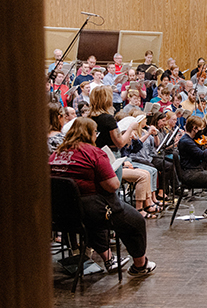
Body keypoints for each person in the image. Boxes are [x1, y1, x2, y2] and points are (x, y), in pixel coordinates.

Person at [49, 118, 156, 277]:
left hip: (60, 213)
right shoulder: (93, 153)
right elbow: (112, 185)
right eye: (95, 133)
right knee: (135, 221)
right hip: (91, 209)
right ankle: (140, 265)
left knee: (93, 219)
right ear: (90, 134)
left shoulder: (55, 154)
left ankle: (109, 259)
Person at [88, 87, 161, 218]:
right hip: (111, 156)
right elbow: (120, 143)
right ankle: (114, 221)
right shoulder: (108, 119)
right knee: (112, 191)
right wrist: (131, 128)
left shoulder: (88, 118)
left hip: (94, 155)